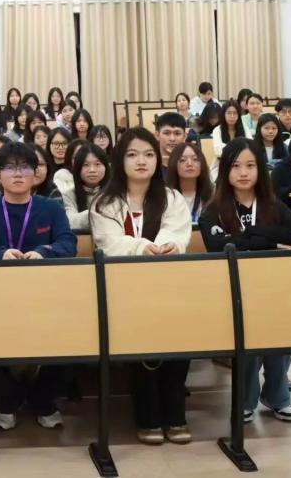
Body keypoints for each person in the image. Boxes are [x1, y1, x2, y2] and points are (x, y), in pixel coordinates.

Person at [198, 138, 291, 424]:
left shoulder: (273, 204)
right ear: (225, 170)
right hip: (233, 289)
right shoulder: (213, 210)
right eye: (236, 166)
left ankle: (276, 395)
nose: (243, 172)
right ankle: (246, 400)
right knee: (250, 341)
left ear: (260, 169)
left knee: (281, 336)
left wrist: (252, 237)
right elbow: (220, 247)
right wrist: (272, 242)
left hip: (275, 287)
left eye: (250, 165)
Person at [89, 127, 192, 444]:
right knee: (139, 347)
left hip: (167, 286)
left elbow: (178, 231)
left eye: (148, 154)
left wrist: (167, 246)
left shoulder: (172, 197)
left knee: (180, 340)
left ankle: (175, 414)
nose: (141, 161)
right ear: (120, 160)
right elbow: (108, 242)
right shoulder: (105, 203)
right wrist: (143, 247)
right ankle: (148, 416)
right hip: (123, 289)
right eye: (132, 154)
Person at [0, 142, 77, 431]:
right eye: (9, 167)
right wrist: (0, 254)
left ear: (36, 173)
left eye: (25, 167)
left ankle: (43, 400)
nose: (18, 173)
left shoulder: (51, 208)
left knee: (77, 336)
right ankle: (7, 400)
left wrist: (44, 252)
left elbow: (68, 243)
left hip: (47, 297)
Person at [63, 143, 109, 229]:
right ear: (77, 168)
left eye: (97, 164)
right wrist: (98, 213)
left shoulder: (115, 193)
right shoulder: (69, 195)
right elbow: (69, 222)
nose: (92, 170)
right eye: (86, 165)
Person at [165, 142, 214, 224]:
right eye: (182, 160)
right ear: (173, 164)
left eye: (195, 159)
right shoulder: (165, 196)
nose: (189, 164)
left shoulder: (213, 194)